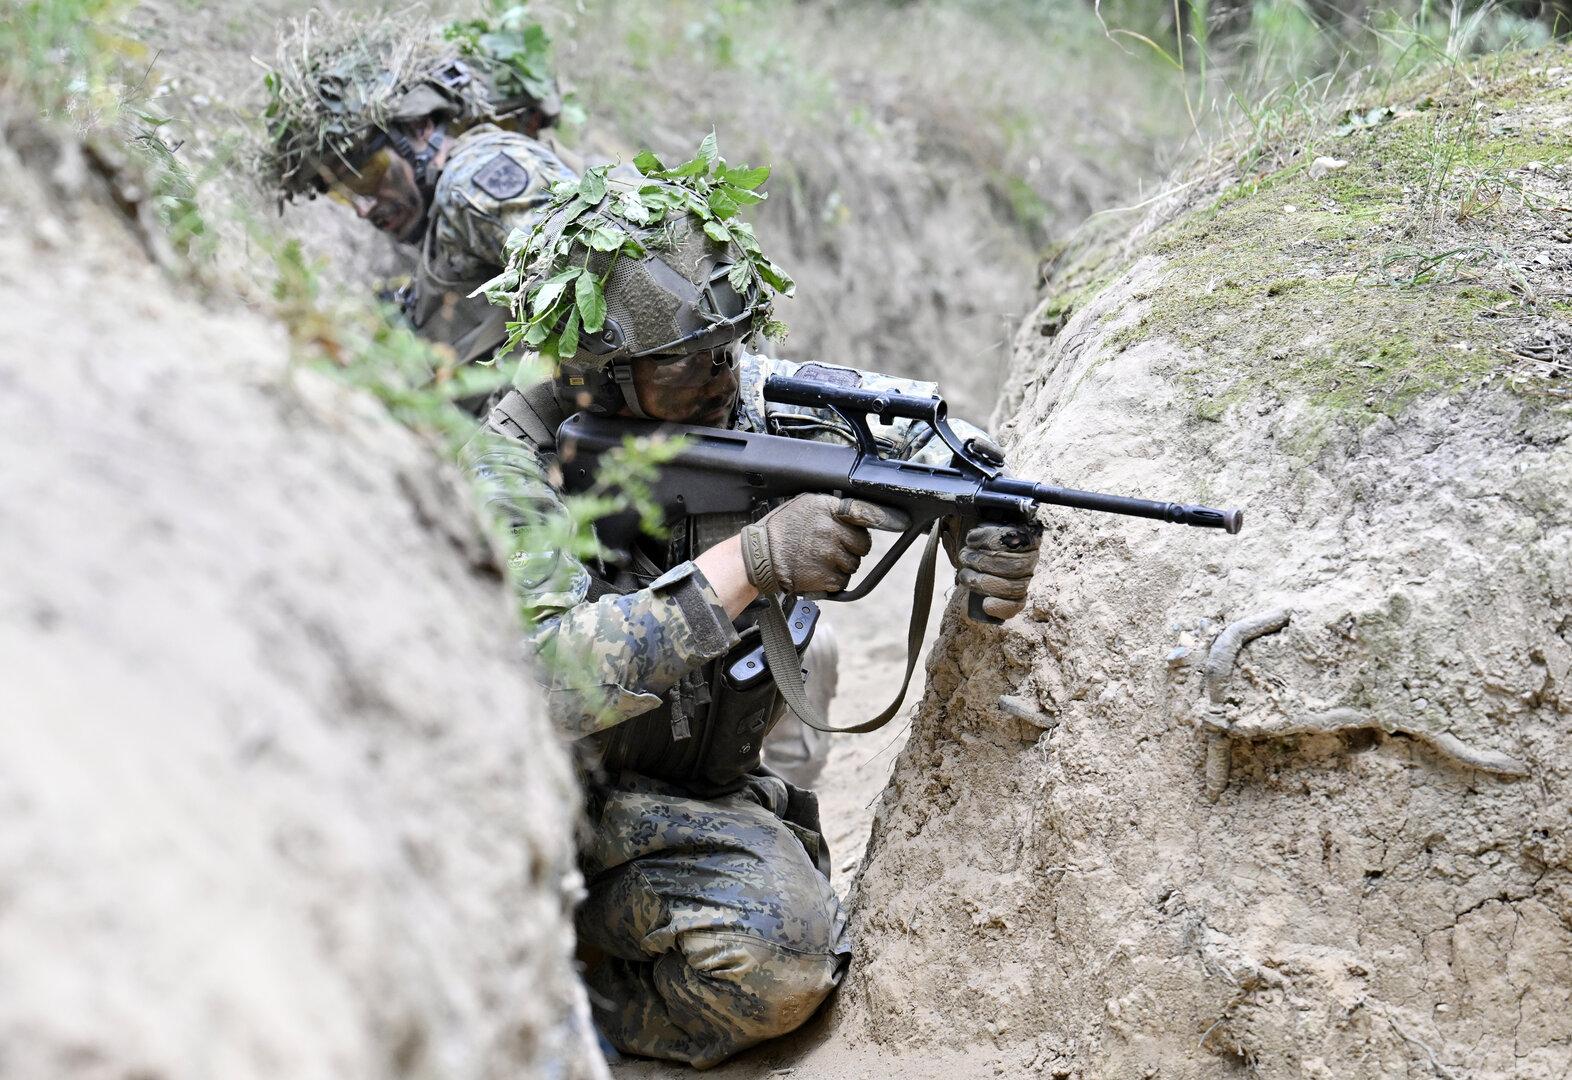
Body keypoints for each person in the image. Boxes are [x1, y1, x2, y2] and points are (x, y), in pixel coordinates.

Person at [466, 150, 1044, 1068]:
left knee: (806, 661)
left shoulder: (742, 390)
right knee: (780, 961)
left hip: (695, 768)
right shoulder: (511, 465)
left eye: (729, 346)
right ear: (601, 374)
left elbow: (914, 436)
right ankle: (579, 997)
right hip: (555, 803)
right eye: (686, 365)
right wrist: (749, 560)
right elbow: (551, 682)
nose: (722, 379)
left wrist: (980, 509)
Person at [260, 15, 577, 388]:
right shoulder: (440, 231)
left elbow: (597, 281)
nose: (363, 208)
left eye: (367, 177)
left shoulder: (473, 180)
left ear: (420, 129)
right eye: (341, 196)